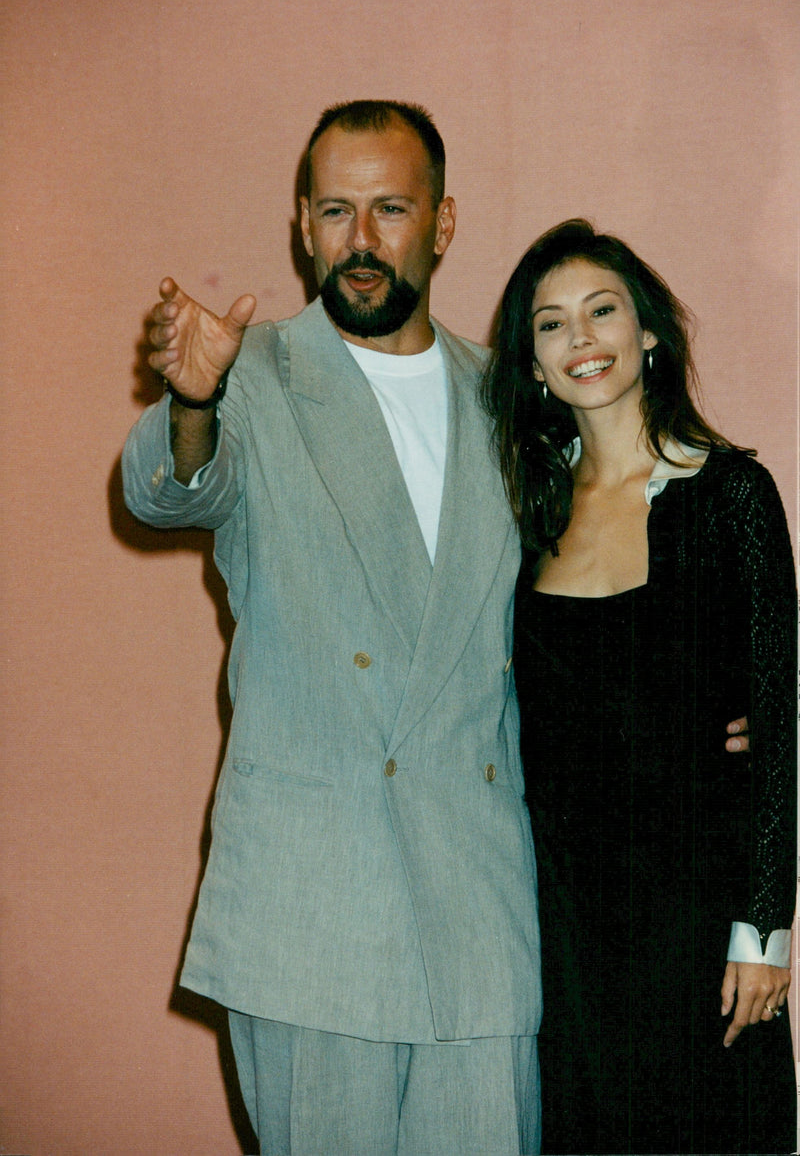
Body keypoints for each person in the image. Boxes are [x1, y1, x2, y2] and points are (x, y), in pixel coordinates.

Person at [122, 101, 542, 1155]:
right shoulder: (247, 374)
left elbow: (589, 602)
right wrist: (189, 403)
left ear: (441, 224)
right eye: (335, 211)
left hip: (478, 906)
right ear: (301, 227)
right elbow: (168, 493)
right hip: (312, 904)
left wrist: (707, 719)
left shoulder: (506, 397)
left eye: (390, 209)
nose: (360, 241)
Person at [483, 219, 797, 1154]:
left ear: (647, 331)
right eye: (551, 324)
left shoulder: (732, 493)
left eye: (601, 311)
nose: (581, 339)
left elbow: (779, 718)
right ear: (532, 362)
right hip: (568, 923)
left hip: (700, 919)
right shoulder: (524, 515)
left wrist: (764, 929)